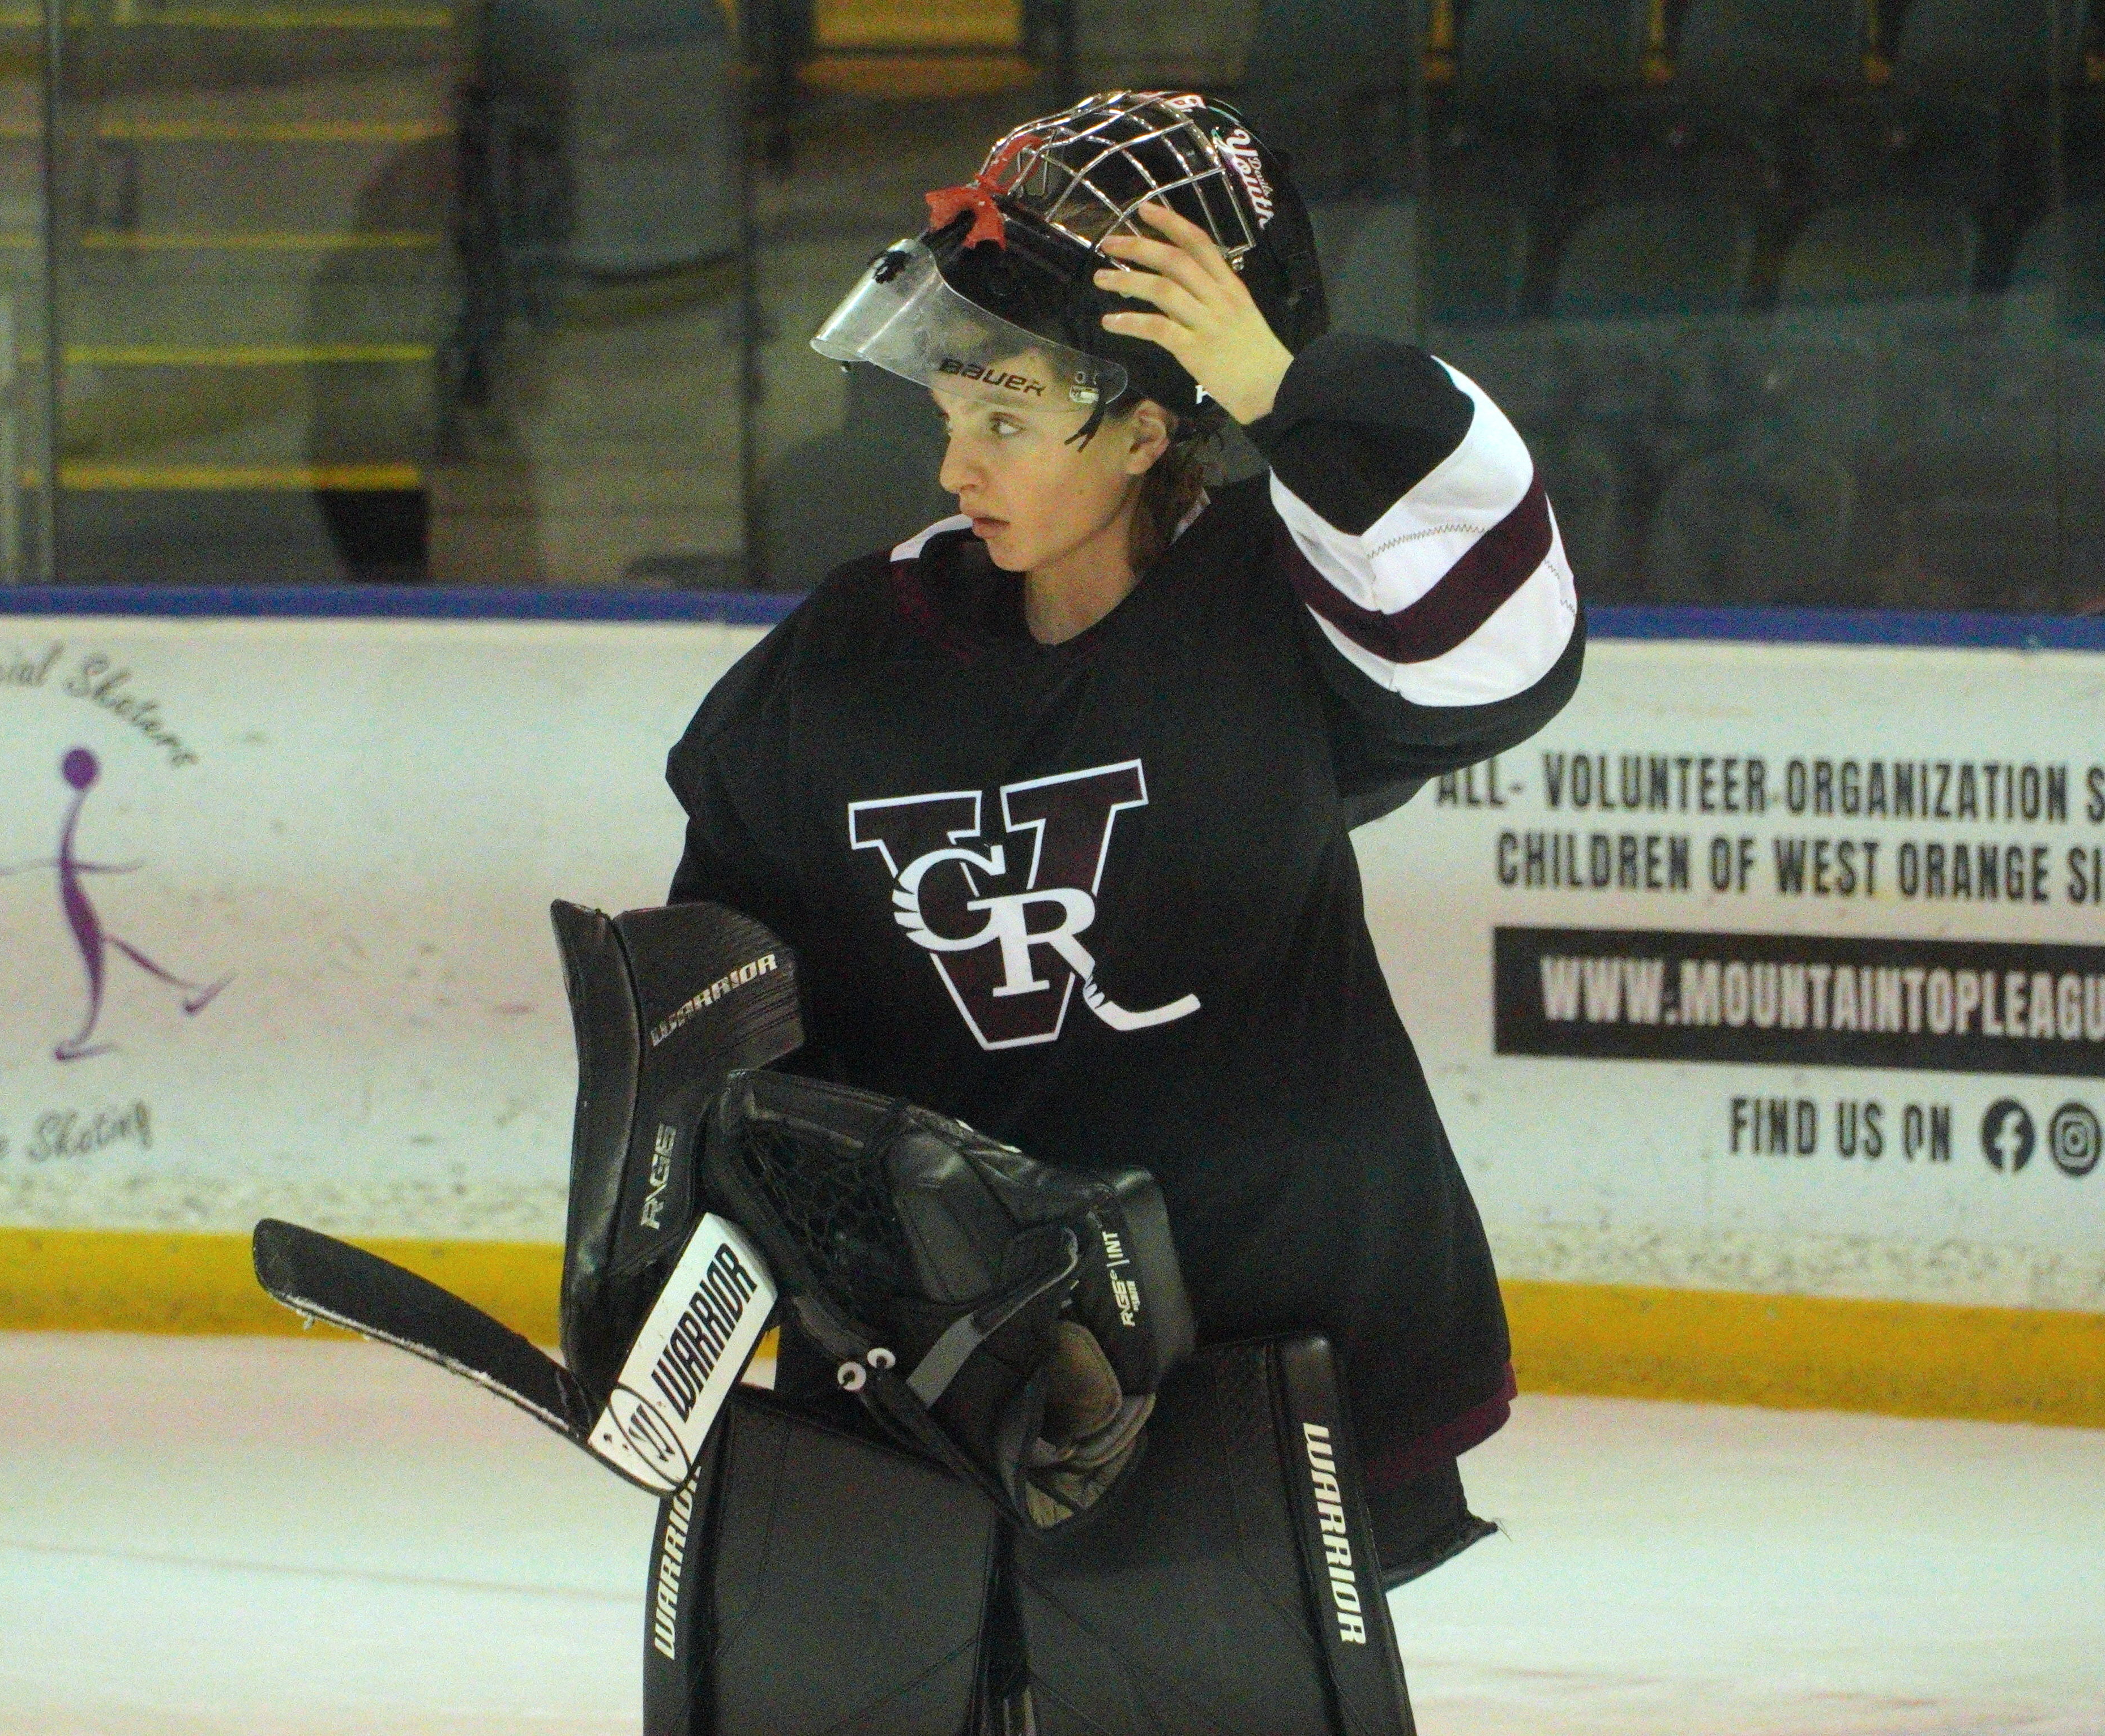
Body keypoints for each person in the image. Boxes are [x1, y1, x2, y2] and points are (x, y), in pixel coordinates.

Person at [665, 90, 1582, 1587]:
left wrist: (1294, 392)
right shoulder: (855, 655)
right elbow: (724, 990)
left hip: (1269, 1343)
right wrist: (700, 1260)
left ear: (1150, 428)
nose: (958, 465)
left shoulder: (1278, 612)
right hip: (959, 1368)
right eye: (955, 414)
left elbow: (1501, 637)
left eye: (1010, 419)